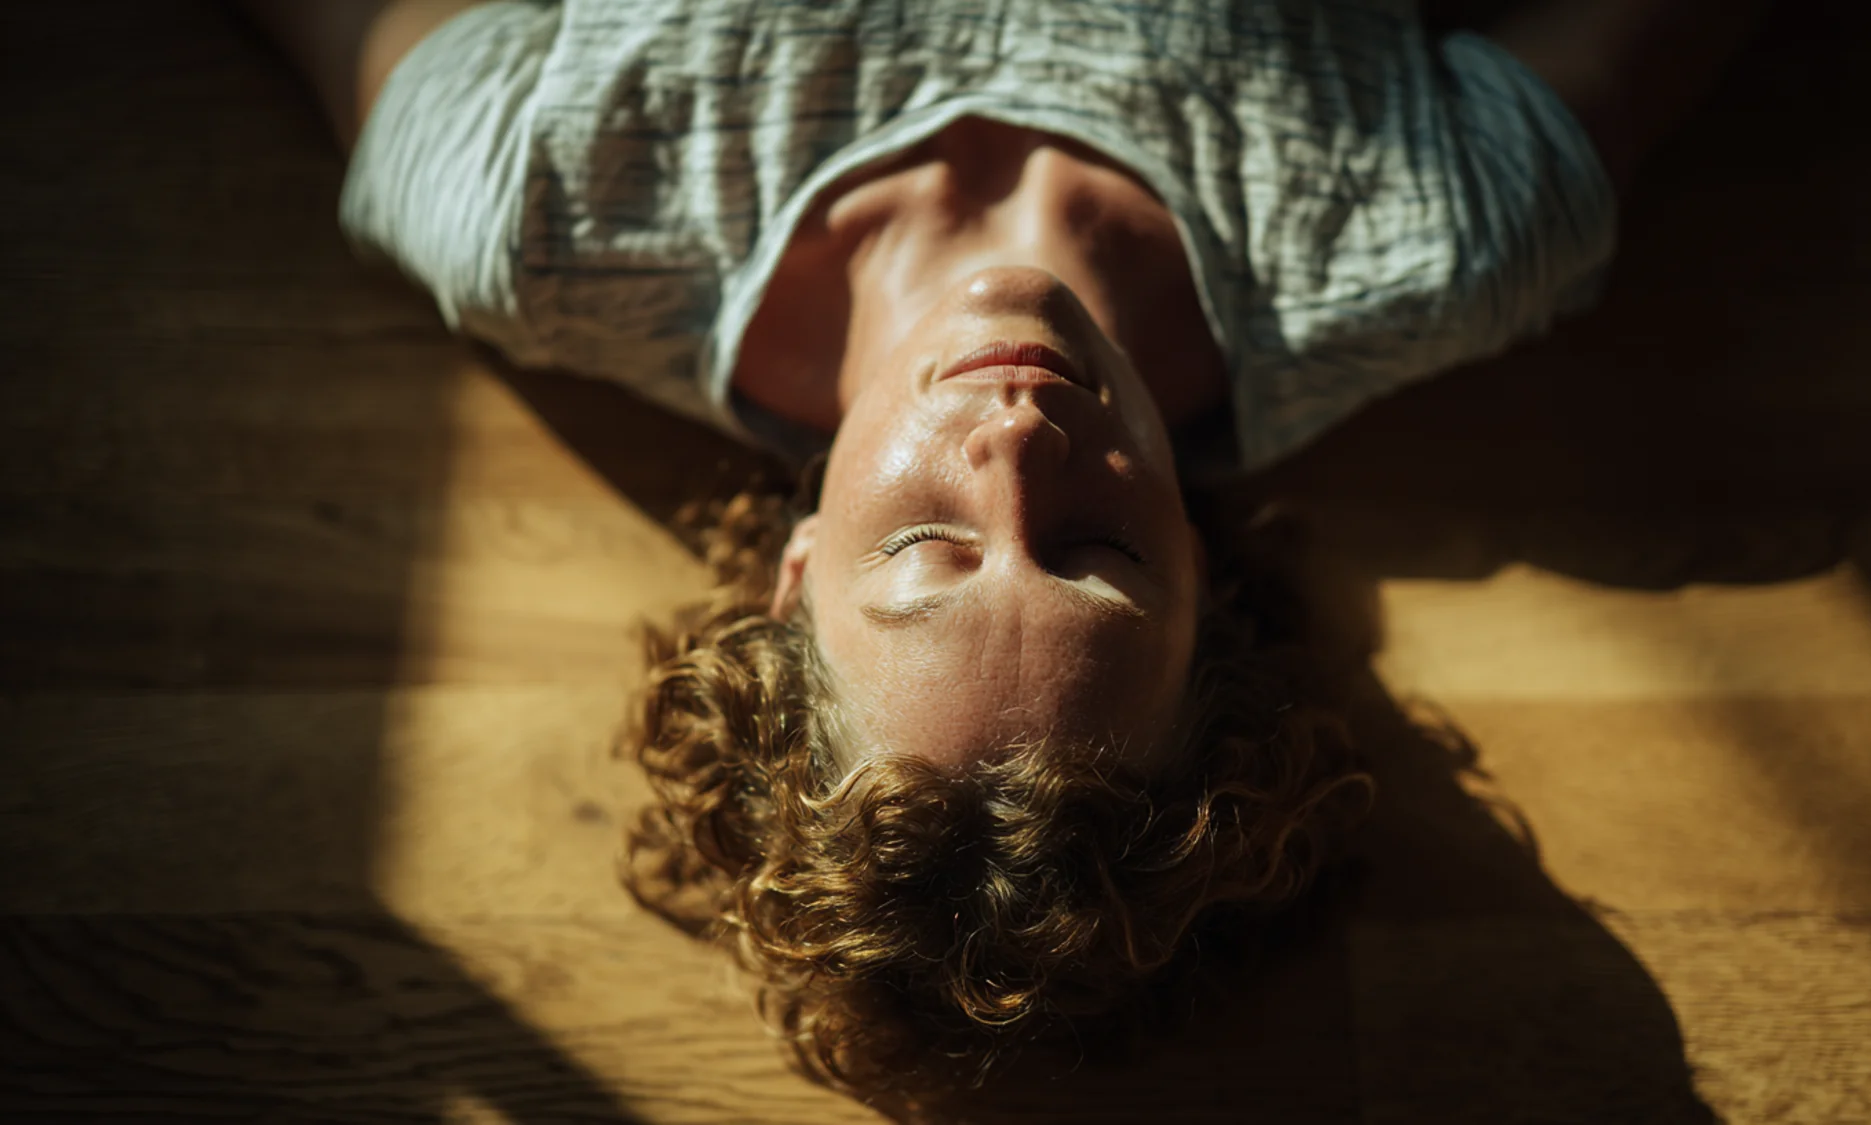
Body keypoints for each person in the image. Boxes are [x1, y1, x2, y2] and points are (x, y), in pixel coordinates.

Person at [239, 0, 1760, 1097]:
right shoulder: (1433, 232)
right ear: (1206, 577)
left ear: (791, 575)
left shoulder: (532, 201)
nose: (1018, 451)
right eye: (1097, 552)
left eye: (927, 548)